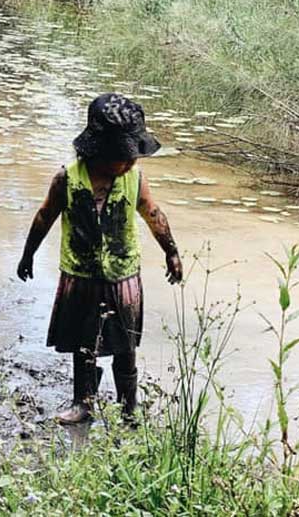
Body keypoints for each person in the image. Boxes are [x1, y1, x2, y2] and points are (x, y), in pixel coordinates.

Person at [17, 93, 182, 425]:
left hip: (123, 275)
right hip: (81, 276)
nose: (133, 162)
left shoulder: (134, 179)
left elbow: (153, 214)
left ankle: (128, 408)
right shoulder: (68, 178)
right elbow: (44, 216)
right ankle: (84, 403)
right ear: (102, 152)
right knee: (84, 344)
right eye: (126, 155)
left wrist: (171, 251)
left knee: (125, 346)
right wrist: (28, 254)